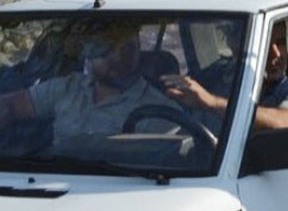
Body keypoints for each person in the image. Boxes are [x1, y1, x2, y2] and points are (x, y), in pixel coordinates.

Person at [0, 19, 177, 146]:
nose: (119, 57)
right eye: (106, 48)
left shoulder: (158, 110)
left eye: (128, 48)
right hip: (45, 178)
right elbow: (11, 106)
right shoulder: (69, 87)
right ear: (88, 54)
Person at [162, 20, 288, 130]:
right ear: (234, 44)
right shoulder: (210, 79)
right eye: (265, 45)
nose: (276, 54)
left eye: (281, 43)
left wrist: (212, 103)